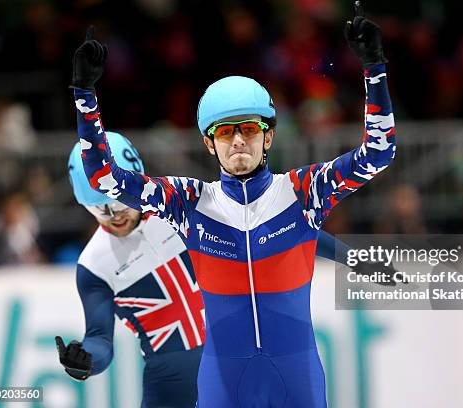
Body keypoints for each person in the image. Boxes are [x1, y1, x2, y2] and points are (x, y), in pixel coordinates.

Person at [70, 1, 396, 405]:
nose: (238, 140)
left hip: (295, 374)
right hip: (224, 379)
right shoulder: (189, 203)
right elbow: (104, 177)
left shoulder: (302, 191)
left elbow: (378, 153)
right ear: (209, 143)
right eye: (225, 132)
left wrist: (374, 68)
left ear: (269, 136)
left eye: (248, 129)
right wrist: (85, 94)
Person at [55, 132, 360, 408]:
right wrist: (85, 361)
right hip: (170, 385)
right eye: (99, 210)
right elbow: (100, 340)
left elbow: (288, 230)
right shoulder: (93, 265)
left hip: (231, 364)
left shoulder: (179, 208)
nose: (114, 216)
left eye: (120, 205)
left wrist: (357, 259)